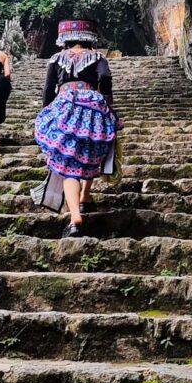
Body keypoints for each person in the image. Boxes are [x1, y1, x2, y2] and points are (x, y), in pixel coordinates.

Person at [35, 19, 118, 237]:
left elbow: (47, 88)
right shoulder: (98, 57)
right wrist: (107, 104)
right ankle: (85, 196)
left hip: (64, 104)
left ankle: (75, 217)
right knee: (90, 150)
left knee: (69, 160)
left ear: (66, 39)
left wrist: (47, 110)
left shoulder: (56, 58)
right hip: (92, 105)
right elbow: (106, 77)